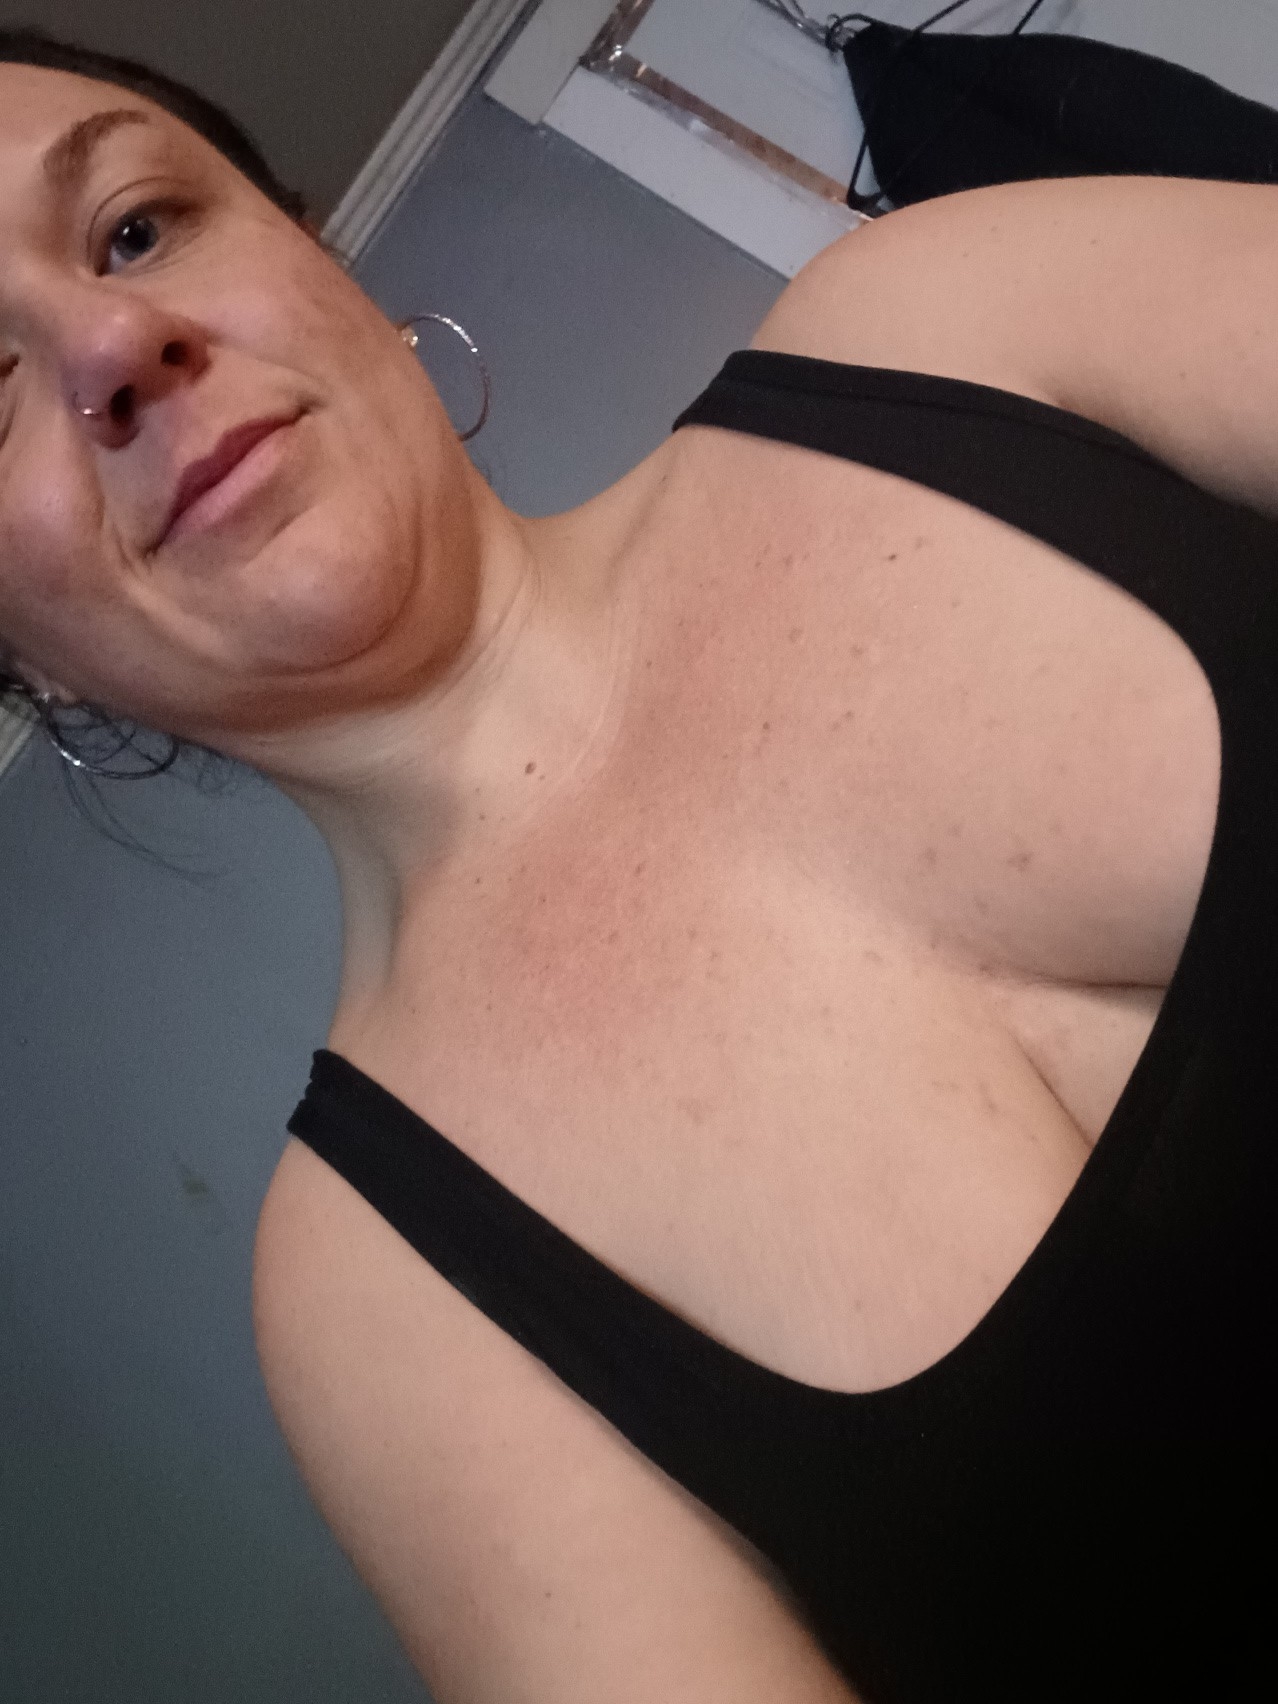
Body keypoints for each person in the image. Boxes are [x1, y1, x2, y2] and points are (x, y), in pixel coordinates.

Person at [1, 31, 1271, 1704]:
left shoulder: (955, 317)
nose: (112, 341)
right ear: (19, 660)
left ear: (309, 246)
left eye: (136, 227)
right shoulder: (378, 1305)